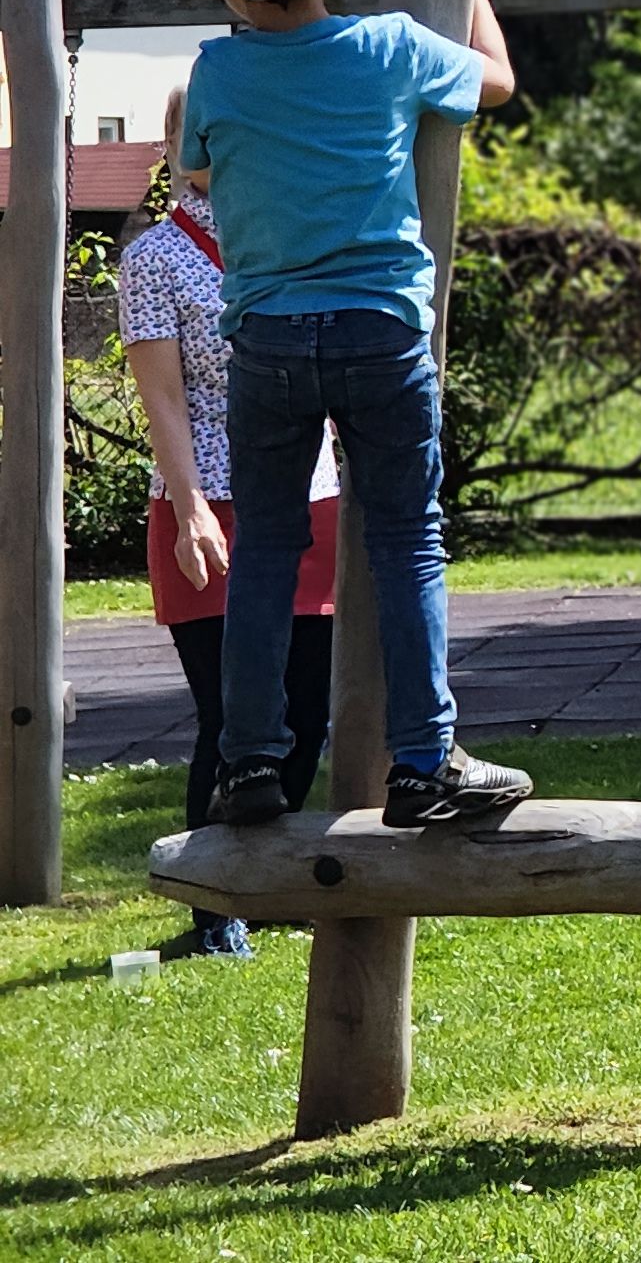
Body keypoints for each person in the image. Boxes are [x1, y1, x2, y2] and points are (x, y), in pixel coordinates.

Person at [179, 0, 530, 829]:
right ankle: (425, 762)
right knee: (407, 541)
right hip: (382, 329)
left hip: (268, 344)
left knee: (265, 553)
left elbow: (193, 165)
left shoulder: (216, 71)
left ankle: (249, 761)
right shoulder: (391, 47)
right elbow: (496, 81)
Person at [119, 92, 340, 949]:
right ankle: (213, 909)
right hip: (205, 502)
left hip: (306, 496)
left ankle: (269, 884)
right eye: (191, 132)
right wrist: (186, 511)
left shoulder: (294, 235)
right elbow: (162, 400)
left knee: (305, 710)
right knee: (230, 717)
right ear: (172, 144)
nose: (207, 147)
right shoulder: (158, 256)